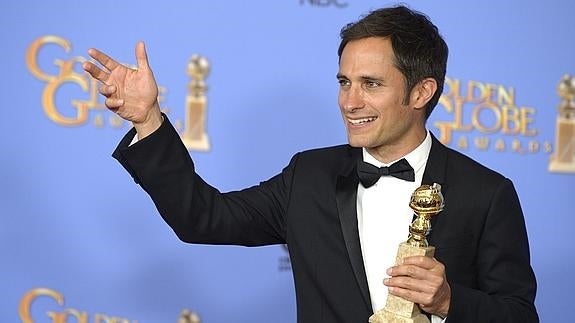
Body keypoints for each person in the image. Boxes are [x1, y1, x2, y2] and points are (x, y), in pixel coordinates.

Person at [82, 5, 538, 323]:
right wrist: (149, 120)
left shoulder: (487, 193)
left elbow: (519, 315)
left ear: (420, 92)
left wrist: (449, 301)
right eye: (344, 82)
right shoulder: (309, 176)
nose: (349, 102)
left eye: (370, 84)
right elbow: (202, 218)